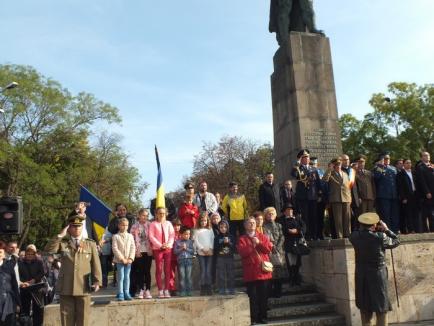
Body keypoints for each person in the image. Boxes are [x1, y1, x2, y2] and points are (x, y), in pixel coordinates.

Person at [44, 215, 102, 326]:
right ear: (69, 228)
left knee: (83, 319)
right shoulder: (63, 243)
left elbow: (96, 263)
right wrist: (60, 235)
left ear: (82, 228)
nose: (76, 229)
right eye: (73, 226)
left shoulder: (90, 244)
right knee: (66, 319)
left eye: (79, 226)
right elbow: (49, 250)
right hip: (66, 286)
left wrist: (97, 281)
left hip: (84, 285)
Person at [349, 213, 400, 326]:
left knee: (365, 308)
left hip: (361, 275)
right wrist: (386, 229)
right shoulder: (381, 237)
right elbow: (396, 241)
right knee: (381, 307)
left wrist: (365, 228)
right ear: (373, 225)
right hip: (378, 275)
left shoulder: (354, 236)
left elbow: (357, 234)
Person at [237, 217, 273, 325]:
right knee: (252, 297)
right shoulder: (242, 239)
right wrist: (252, 246)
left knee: (263, 297)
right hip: (250, 273)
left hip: (263, 273)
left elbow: (268, 250)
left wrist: (259, 243)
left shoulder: (262, 236)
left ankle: (263, 317)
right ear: (245, 225)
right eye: (249, 223)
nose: (252, 224)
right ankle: (253, 318)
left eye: (253, 223)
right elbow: (242, 253)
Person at [291, 149, 321, 240]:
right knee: (305, 217)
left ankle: (314, 235)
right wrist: (297, 164)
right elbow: (294, 174)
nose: (307, 158)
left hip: (313, 196)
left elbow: (318, 183)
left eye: (307, 156)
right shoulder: (298, 168)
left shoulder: (313, 169)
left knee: (314, 217)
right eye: (304, 157)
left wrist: (319, 194)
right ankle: (307, 236)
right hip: (303, 197)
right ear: (300, 159)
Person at [148, 207, 175, 299]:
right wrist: (160, 245)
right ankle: (160, 290)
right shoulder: (153, 224)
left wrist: (168, 244)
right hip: (157, 249)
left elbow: (172, 235)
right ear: (156, 214)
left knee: (167, 269)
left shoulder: (169, 223)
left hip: (168, 249)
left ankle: (166, 289)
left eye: (163, 213)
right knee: (159, 269)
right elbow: (151, 236)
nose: (162, 214)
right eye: (160, 213)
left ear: (166, 214)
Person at [322, 158, 352, 238]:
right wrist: (329, 169)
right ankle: (340, 236)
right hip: (336, 199)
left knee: (347, 219)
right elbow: (324, 180)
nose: (338, 166)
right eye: (337, 165)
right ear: (334, 166)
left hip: (346, 199)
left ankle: (348, 235)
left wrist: (350, 198)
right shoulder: (331, 174)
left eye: (339, 164)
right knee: (338, 220)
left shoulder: (345, 174)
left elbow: (348, 187)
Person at [18, 244, 45, 326]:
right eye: (28, 254)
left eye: (32, 254)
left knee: (38, 308)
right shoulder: (20, 262)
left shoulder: (39, 262)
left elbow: (42, 273)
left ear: (34, 254)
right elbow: (18, 274)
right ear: (25, 254)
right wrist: (23, 282)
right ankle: (25, 323)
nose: (29, 255)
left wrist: (34, 280)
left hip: (36, 287)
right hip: (25, 287)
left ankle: (38, 324)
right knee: (25, 308)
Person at [373, 154, 400, 233]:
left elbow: (397, 181)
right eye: (385, 158)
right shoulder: (377, 168)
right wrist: (381, 166)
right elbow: (376, 178)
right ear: (382, 159)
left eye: (388, 158)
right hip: (383, 195)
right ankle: (388, 231)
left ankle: (395, 230)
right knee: (385, 214)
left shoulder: (393, 168)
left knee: (394, 214)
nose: (387, 159)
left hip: (394, 195)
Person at [280, 203, 306, 286]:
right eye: (288, 209)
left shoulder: (297, 218)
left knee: (297, 261)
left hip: (297, 242)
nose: (290, 211)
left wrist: (297, 231)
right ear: (284, 212)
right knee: (290, 261)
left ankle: (297, 278)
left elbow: (304, 227)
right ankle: (292, 278)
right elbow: (281, 229)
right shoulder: (281, 219)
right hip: (288, 242)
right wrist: (288, 231)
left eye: (291, 209)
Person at [129, 208, 153, 299]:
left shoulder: (150, 225)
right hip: (139, 251)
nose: (145, 217)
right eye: (143, 215)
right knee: (140, 272)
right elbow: (132, 240)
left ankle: (148, 290)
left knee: (147, 271)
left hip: (148, 251)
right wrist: (135, 251)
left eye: (147, 216)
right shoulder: (134, 226)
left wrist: (152, 250)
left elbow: (152, 237)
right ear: (139, 216)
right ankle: (141, 290)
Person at [263, 207, 285, 298]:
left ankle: (278, 291)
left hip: (279, 252)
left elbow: (282, 237)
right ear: (265, 215)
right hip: (269, 252)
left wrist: (278, 247)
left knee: (279, 272)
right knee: (270, 272)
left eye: (272, 213)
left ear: (275, 215)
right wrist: (271, 247)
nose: (271, 215)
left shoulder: (279, 225)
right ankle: (270, 292)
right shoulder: (263, 226)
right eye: (269, 213)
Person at [112, 217, 135, 301]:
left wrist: (131, 258)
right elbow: (115, 248)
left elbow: (133, 247)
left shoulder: (130, 236)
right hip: (119, 261)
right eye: (123, 225)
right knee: (121, 277)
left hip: (128, 261)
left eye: (126, 225)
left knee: (127, 277)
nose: (125, 227)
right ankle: (120, 293)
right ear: (119, 226)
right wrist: (122, 259)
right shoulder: (115, 236)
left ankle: (126, 292)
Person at [193, 212, 215, 296]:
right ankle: (203, 288)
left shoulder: (210, 229)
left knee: (208, 270)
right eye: (202, 221)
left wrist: (210, 249)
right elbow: (196, 241)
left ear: (207, 221)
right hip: (201, 253)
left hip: (209, 252)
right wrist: (202, 249)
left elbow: (212, 239)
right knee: (203, 270)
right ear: (199, 221)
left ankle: (209, 287)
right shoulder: (196, 230)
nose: (203, 222)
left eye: (205, 221)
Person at [397, 159, 420, 233]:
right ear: (403, 164)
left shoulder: (414, 173)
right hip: (407, 197)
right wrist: (403, 197)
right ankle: (411, 229)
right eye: (407, 163)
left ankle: (417, 229)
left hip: (415, 195)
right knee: (408, 213)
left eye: (410, 163)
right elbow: (400, 187)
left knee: (416, 213)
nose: (409, 164)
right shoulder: (400, 174)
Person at [0, 244, 20, 326]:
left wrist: (18, 303)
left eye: (0, 252)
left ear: (4, 254)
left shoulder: (9, 265)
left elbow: (14, 285)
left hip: (8, 301)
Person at [214, 220, 235, 295]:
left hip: (229, 257)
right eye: (221, 227)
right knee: (221, 274)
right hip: (220, 258)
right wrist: (222, 242)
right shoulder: (217, 237)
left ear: (227, 228)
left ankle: (231, 289)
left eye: (225, 227)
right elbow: (215, 248)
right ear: (219, 228)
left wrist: (228, 243)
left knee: (230, 274)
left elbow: (234, 247)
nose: (223, 229)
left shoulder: (231, 236)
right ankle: (222, 289)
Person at [173, 227, 195, 297]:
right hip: (181, 261)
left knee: (189, 277)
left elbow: (192, 251)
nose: (187, 235)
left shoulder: (191, 242)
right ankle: (182, 291)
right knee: (182, 277)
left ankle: (189, 291)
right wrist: (181, 248)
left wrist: (187, 248)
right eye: (185, 234)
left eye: (189, 234)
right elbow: (175, 252)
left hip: (189, 260)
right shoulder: (177, 242)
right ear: (181, 234)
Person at [415, 151, 433, 232]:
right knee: (425, 213)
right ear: (421, 158)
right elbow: (421, 181)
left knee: (432, 213)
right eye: (425, 155)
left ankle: (432, 230)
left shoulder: (432, 166)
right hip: (425, 194)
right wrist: (427, 192)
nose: (427, 157)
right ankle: (425, 230)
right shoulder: (420, 167)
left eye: (428, 155)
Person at [169, 219, 182, 296]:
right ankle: (172, 289)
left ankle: (182, 288)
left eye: (178, 225)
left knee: (182, 273)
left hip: (181, 257)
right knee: (171, 274)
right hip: (171, 257)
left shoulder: (182, 234)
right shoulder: (170, 234)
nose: (176, 227)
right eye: (175, 226)